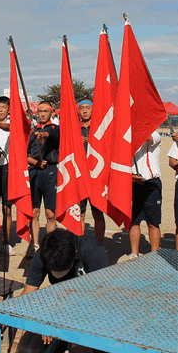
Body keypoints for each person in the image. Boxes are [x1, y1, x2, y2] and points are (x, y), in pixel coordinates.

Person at [15, 229, 109, 353]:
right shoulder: (45, 253)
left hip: (91, 312)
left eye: (64, 269)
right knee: (27, 351)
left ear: (75, 254)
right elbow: (27, 294)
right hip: (57, 308)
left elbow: (99, 300)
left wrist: (55, 319)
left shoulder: (93, 251)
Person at [28, 101, 60, 250]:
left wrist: (41, 134)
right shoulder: (31, 132)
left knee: (50, 213)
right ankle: (34, 245)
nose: (42, 114)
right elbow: (25, 154)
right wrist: (35, 162)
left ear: (51, 113)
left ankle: (50, 246)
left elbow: (51, 135)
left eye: (45, 111)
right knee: (34, 212)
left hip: (50, 172)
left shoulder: (55, 129)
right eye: (40, 111)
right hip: (35, 172)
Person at [129, 131, 162, 257]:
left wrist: (133, 132)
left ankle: (154, 254)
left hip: (151, 184)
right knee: (134, 220)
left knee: (153, 222)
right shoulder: (129, 137)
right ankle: (134, 253)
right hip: (133, 183)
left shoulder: (155, 134)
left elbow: (149, 138)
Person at [78, 99, 105, 245]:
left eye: (87, 107)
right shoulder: (75, 128)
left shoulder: (99, 128)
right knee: (80, 212)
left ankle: (99, 243)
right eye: (82, 108)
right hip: (80, 176)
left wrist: (90, 141)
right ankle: (80, 243)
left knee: (97, 212)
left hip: (96, 177)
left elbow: (106, 145)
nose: (85, 110)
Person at [0, 96, 16, 255]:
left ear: (8, 109)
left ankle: (7, 242)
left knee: (6, 208)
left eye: (4, 107)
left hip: (8, 167)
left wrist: (0, 125)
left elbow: (16, 128)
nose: (1, 110)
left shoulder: (12, 124)